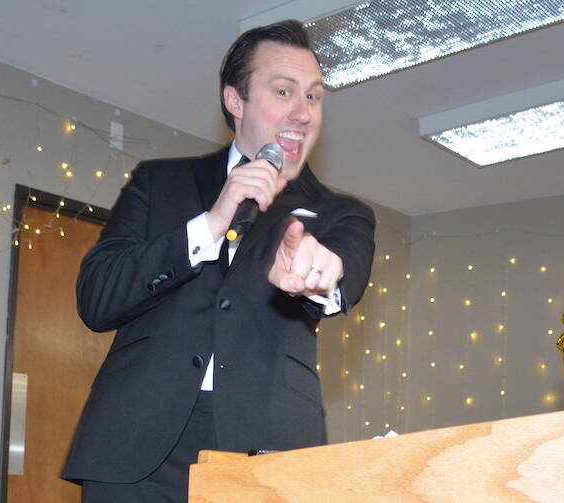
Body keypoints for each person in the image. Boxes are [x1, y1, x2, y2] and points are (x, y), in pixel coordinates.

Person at [62, 20, 375, 502]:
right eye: (284, 91)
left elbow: (341, 273)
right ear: (236, 100)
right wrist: (209, 224)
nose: (303, 113)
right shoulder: (157, 183)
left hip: (265, 449)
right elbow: (96, 298)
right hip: (135, 449)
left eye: (313, 97)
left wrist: (315, 274)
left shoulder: (342, 213)